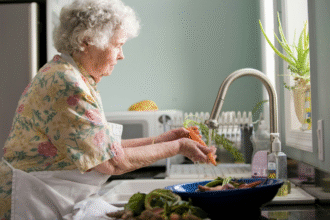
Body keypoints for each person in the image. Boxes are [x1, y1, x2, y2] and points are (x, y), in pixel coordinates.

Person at [0, 0, 216, 219]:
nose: (122, 55)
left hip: (46, 196)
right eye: (118, 45)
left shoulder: (70, 75)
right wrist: (178, 146)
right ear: (87, 41)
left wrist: (164, 139)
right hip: (30, 202)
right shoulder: (67, 83)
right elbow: (111, 161)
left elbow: (103, 148)